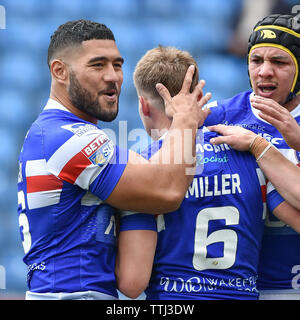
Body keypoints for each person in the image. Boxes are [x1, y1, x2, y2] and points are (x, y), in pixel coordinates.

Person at [17, 20, 211, 300]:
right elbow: (167, 191)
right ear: (59, 71)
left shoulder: (57, 131)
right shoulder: (68, 137)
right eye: (98, 65)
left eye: (117, 65)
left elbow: (131, 283)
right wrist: (184, 120)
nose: (113, 77)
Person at [115, 45, 300, 300]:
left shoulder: (142, 165)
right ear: (199, 96)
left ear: (143, 106)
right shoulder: (248, 152)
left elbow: (132, 283)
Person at [203, 13, 300, 299]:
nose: (264, 72)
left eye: (279, 62)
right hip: (240, 290)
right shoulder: (219, 117)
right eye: (256, 61)